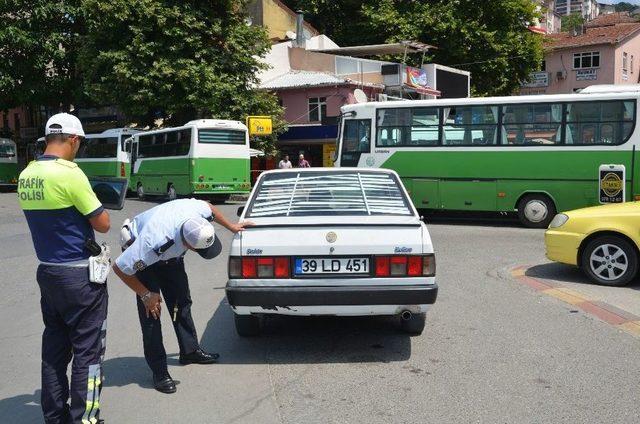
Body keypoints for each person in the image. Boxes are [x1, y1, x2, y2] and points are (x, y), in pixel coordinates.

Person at [18, 113, 111, 424]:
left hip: (48, 271)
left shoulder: (27, 174)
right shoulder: (70, 174)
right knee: (88, 352)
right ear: (73, 140)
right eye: (80, 143)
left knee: (54, 351)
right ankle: (86, 419)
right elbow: (103, 223)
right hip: (80, 276)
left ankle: (55, 417)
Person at [112, 199, 252, 394]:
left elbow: (209, 207)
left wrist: (231, 226)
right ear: (189, 245)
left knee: (181, 302)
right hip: (142, 254)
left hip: (170, 257)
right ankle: (159, 372)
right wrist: (145, 295)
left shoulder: (196, 213)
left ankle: (190, 351)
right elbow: (119, 268)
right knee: (151, 314)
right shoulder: (153, 244)